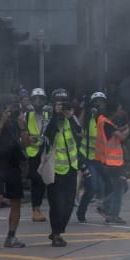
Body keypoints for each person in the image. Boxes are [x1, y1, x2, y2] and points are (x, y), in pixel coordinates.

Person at [0, 93, 29, 248]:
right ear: (3, 107)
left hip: (13, 164)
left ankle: (11, 236)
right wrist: (2, 120)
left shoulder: (18, 121)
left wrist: (22, 124)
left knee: (16, 200)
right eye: (10, 106)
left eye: (15, 105)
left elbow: (27, 143)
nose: (13, 109)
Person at [42, 88, 81, 247]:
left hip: (71, 167)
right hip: (55, 168)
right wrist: (55, 116)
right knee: (56, 204)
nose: (62, 106)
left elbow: (80, 132)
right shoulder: (48, 117)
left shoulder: (71, 117)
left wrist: (70, 117)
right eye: (59, 103)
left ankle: (58, 230)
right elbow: (46, 134)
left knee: (69, 203)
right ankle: (56, 234)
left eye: (64, 103)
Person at [97, 101, 130, 225]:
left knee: (124, 187)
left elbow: (116, 132)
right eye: (120, 109)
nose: (122, 112)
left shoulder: (103, 120)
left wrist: (127, 125)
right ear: (115, 111)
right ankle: (113, 215)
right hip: (113, 163)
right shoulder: (107, 124)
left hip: (108, 161)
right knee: (119, 189)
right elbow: (121, 137)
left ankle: (104, 205)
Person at [76, 92, 107, 223]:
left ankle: (103, 208)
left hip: (101, 159)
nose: (99, 105)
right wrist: (85, 109)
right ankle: (81, 211)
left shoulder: (105, 120)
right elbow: (78, 126)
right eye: (96, 102)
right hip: (88, 159)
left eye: (102, 102)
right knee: (92, 186)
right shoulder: (88, 119)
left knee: (105, 186)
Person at [25, 87, 49, 223]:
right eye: (36, 99)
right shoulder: (27, 116)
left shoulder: (49, 115)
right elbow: (22, 134)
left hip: (46, 152)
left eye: (41, 99)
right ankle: (36, 208)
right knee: (37, 181)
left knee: (48, 181)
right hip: (33, 153)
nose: (38, 102)